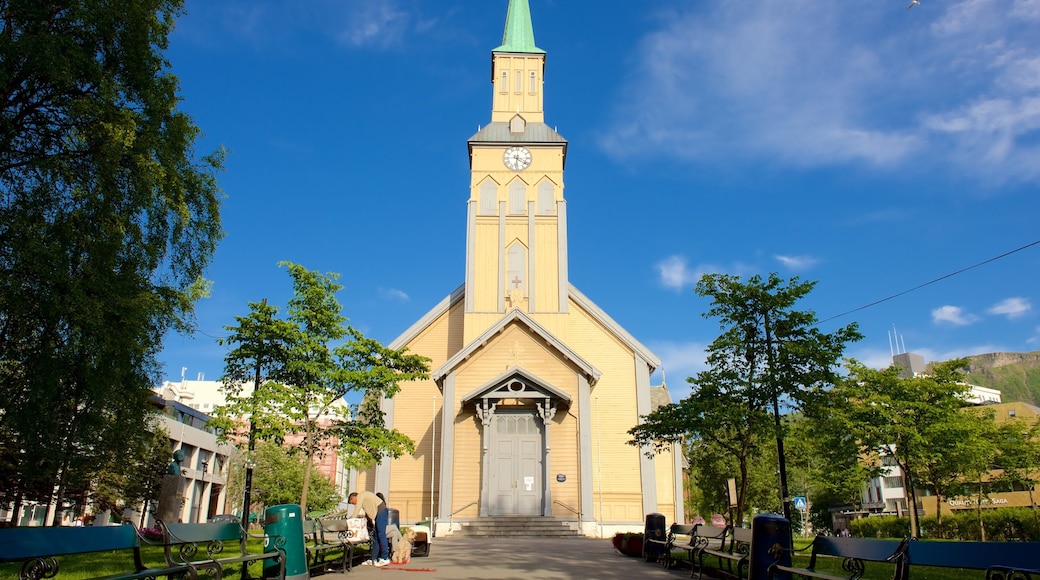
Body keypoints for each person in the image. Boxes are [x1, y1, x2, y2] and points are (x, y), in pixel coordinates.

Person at [349, 491, 390, 567]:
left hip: (381, 511)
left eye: (352, 502)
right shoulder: (363, 497)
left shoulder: (360, 496)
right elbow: (368, 509)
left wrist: (351, 520)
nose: (354, 504)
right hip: (379, 513)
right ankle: (373, 559)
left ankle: (385, 558)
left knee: (381, 535)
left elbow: (357, 508)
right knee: (376, 537)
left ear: (353, 498)